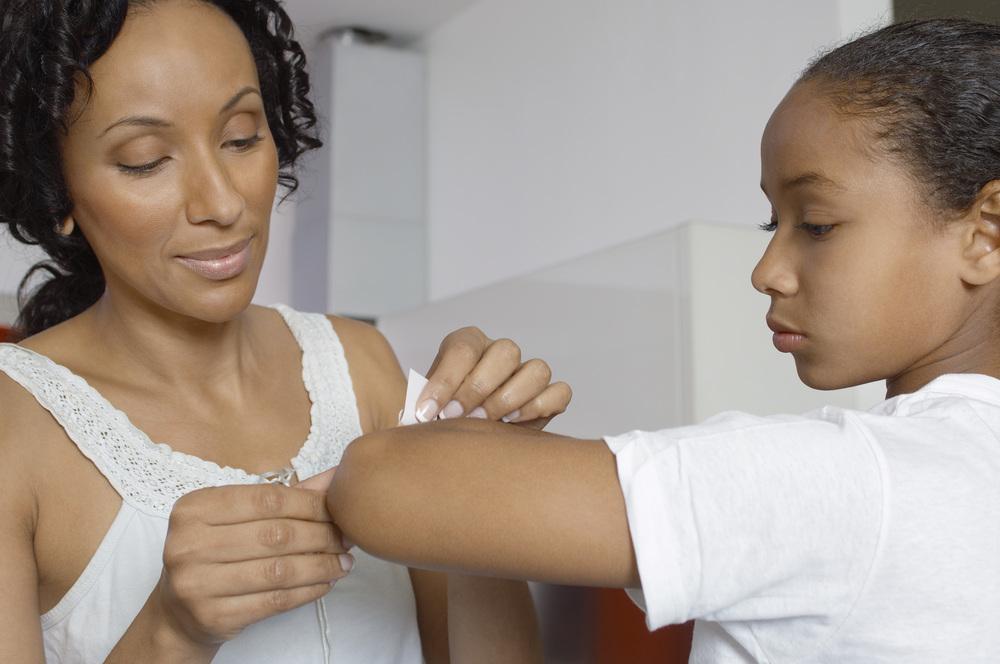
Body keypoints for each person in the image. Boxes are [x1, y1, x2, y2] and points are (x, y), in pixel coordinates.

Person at [322, 18, 1000, 663]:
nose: (766, 272)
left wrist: (467, 445)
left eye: (817, 223)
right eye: (773, 224)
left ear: (985, 233)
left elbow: (378, 486)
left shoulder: (853, 482)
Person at [0, 1, 572, 663]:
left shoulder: (361, 366)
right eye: (145, 159)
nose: (222, 203)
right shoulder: (16, 429)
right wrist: (171, 630)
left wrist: (484, 491)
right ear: (59, 192)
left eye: (241, 137)